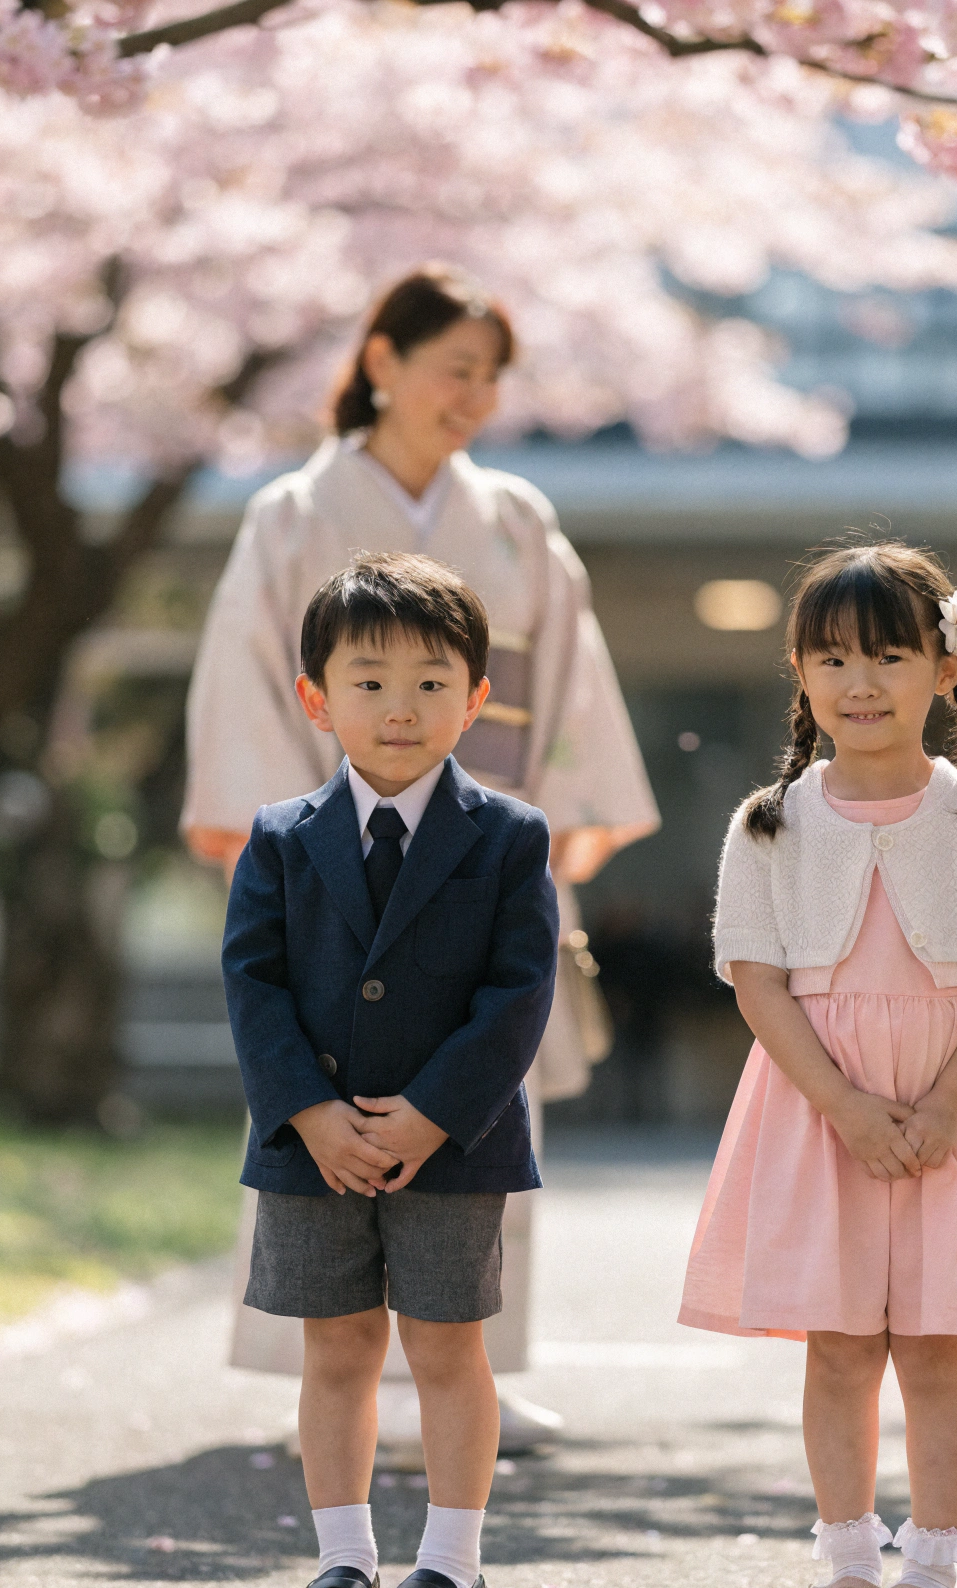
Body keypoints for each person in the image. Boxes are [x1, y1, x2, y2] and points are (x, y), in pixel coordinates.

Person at [185, 265, 658, 1452]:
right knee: (321, 1085)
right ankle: (327, 1365)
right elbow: (250, 678)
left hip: (479, 838)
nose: (475, 397)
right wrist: (279, 837)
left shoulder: (516, 516)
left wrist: (555, 816)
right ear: (383, 362)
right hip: (335, 845)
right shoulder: (291, 512)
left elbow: (567, 680)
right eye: (456, 368)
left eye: (491, 377)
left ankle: (471, 1365)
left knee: (483, 1089)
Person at [682, 543, 957, 1588]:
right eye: (831, 659)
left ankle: (934, 1569)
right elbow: (757, 983)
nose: (859, 683)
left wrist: (945, 1102)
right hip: (818, 1112)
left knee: (935, 1347)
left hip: (954, 1111)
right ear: (800, 675)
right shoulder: (769, 821)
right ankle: (847, 1564)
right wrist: (846, 1106)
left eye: (888, 657)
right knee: (839, 1347)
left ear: (944, 670)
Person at [225, 552, 555, 1588]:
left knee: (449, 1350)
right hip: (310, 1143)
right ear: (317, 697)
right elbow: (252, 984)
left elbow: (519, 993)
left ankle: (452, 1567)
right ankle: (342, 1561)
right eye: (368, 681)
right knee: (336, 1350)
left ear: (476, 697)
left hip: (452, 1145)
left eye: (430, 682)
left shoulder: (509, 836)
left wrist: (432, 1112)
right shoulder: (279, 835)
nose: (399, 707)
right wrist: (309, 1113)